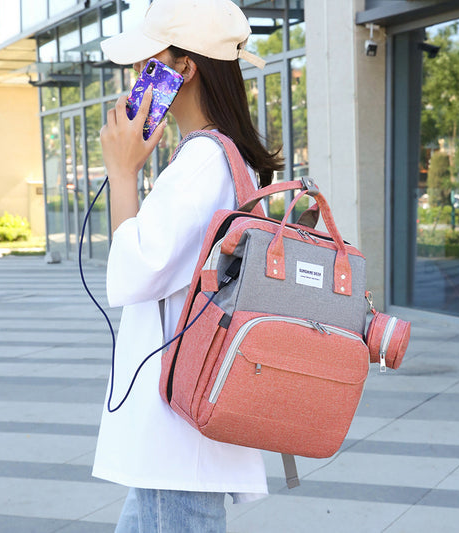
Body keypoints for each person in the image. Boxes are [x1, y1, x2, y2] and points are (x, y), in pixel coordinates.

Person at [93, 1, 283, 531]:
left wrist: (124, 174)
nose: (136, 74)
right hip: (185, 421)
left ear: (184, 69)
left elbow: (132, 275)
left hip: (176, 427)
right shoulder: (228, 157)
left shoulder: (203, 162)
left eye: (147, 61)